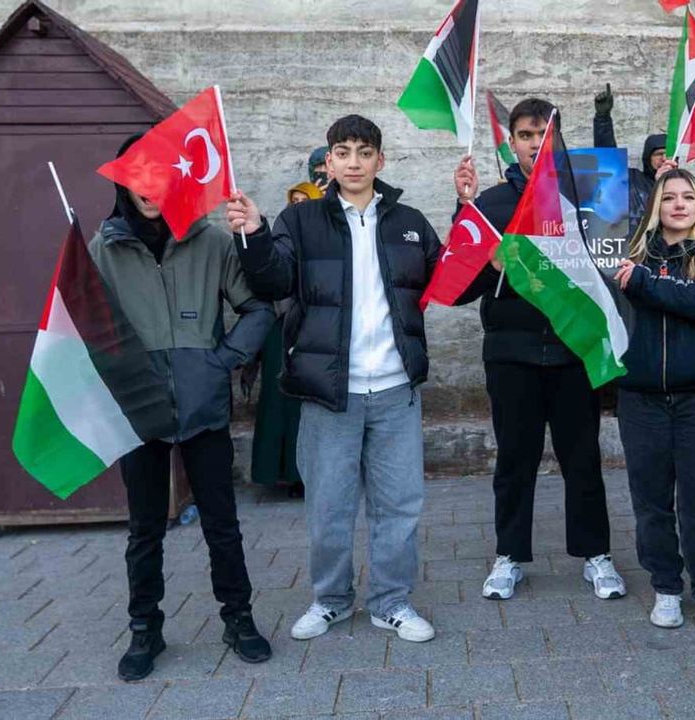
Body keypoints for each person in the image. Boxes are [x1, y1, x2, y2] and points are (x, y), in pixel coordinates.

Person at [226, 115, 441, 644]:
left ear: (379, 161)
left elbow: (449, 277)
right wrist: (253, 233)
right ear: (328, 161)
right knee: (328, 505)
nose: (352, 162)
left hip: (395, 391)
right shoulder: (301, 222)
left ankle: (391, 602)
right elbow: (274, 279)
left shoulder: (409, 221)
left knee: (400, 506)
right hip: (329, 392)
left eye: (363, 152)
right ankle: (331, 599)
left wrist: (467, 212)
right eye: (341, 152)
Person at [94, 134, 276, 680]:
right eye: (139, 177)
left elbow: (257, 309)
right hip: (140, 410)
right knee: (144, 528)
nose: (151, 189)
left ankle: (239, 619)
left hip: (203, 407)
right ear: (126, 183)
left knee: (222, 523)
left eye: (161, 175)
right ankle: (145, 630)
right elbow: (88, 326)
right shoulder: (104, 249)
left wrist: (221, 361)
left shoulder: (212, 242)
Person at [451, 99, 626, 602]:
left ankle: (596, 556)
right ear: (512, 139)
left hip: (574, 352)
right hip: (511, 355)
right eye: (525, 134)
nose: (533, 143)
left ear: (556, 139)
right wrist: (468, 221)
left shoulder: (586, 198)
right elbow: (462, 285)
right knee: (514, 460)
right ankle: (509, 556)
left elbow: (614, 255)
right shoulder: (489, 204)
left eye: (542, 134)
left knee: (583, 459)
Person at [612, 168, 695, 631]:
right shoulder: (628, 254)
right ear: (655, 207)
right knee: (651, 499)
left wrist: (644, 284)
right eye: (669, 198)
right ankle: (666, 586)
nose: (680, 205)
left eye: (688, 197)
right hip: (640, 398)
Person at [243, 181, 326, 492]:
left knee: (306, 405)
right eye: (295, 201)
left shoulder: (327, 235)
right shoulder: (283, 234)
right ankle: (278, 472)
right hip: (282, 329)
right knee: (278, 402)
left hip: (314, 329)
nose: (298, 206)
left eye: (306, 200)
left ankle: (304, 475)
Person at [593, 83, 666, 234]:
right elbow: (609, 159)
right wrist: (603, 119)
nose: (664, 159)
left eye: (669, 155)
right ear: (648, 158)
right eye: (659, 154)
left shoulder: (686, 189)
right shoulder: (632, 179)